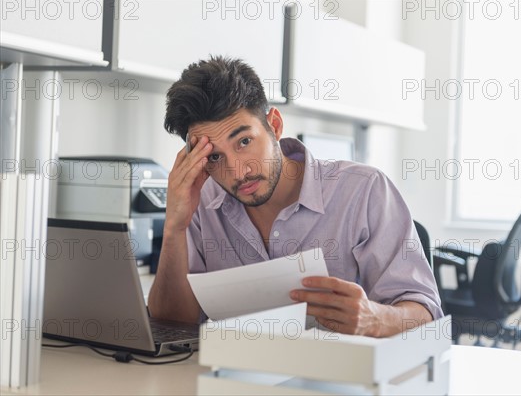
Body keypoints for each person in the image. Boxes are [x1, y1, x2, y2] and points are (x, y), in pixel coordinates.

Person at [148, 56, 443, 337]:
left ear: (274, 125)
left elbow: (427, 316)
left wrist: (374, 318)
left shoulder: (364, 190)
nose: (237, 172)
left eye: (244, 141)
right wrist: (175, 226)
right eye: (214, 157)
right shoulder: (201, 202)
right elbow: (173, 324)